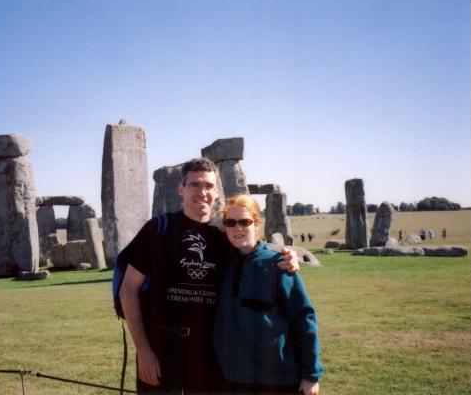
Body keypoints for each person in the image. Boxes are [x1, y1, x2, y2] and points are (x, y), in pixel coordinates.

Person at [119, 158, 300, 393]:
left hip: (211, 350)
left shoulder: (224, 235)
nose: (202, 192)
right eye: (195, 185)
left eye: (208, 186)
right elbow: (128, 289)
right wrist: (144, 351)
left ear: (216, 191)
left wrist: (287, 256)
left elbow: (256, 252)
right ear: (181, 189)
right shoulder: (157, 230)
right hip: (162, 346)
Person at [214, 194, 323, 395]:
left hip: (277, 381)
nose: (237, 228)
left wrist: (311, 375)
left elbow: (303, 319)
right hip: (232, 380)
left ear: (256, 224)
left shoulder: (278, 264)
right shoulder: (222, 264)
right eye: (230, 222)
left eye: (244, 222)